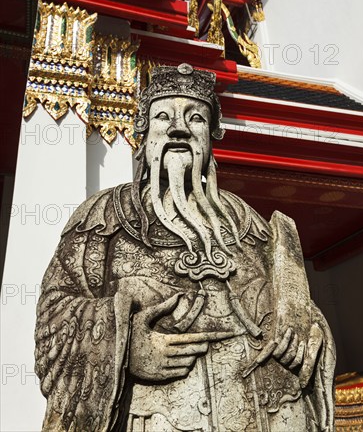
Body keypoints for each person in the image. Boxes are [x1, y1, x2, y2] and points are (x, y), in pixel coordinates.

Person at [35, 63, 335, 432]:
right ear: (144, 133)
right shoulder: (103, 217)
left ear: (211, 135)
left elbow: (301, 314)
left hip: (264, 412)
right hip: (156, 416)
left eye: (195, 118)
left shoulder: (250, 223)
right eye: (163, 116)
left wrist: (307, 329)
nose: (179, 127)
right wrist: (124, 345)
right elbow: (55, 313)